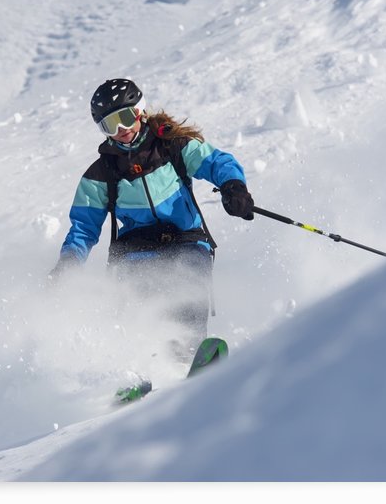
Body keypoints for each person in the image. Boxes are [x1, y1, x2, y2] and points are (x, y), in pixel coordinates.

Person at [50, 78, 254, 360]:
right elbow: (84, 227)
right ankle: (141, 363)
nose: (121, 129)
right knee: (136, 296)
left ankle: (188, 354)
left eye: (124, 118)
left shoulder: (172, 147)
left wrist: (233, 187)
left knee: (188, 283)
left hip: (185, 239)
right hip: (135, 249)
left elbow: (216, 162)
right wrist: (69, 263)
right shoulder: (101, 174)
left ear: (139, 111)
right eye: (110, 125)